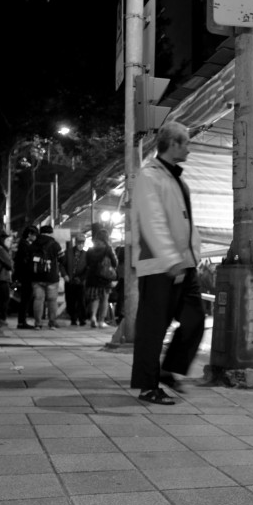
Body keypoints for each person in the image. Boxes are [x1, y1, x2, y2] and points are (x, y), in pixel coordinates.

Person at [130, 120, 205, 406]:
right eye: (185, 142)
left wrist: (191, 256)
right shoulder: (149, 176)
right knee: (153, 327)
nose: (189, 147)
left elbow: (184, 224)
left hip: (184, 264)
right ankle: (148, 386)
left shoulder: (175, 178)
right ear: (173, 144)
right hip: (159, 264)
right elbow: (153, 222)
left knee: (195, 319)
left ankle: (165, 369)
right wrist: (171, 259)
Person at [30, 225, 64, 329]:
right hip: (51, 277)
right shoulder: (55, 244)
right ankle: (52, 323)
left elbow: (29, 258)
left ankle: (38, 323)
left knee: (38, 299)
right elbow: (63, 259)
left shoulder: (34, 244)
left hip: (37, 276)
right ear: (51, 233)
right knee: (52, 300)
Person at [83, 228, 118, 328]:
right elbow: (115, 263)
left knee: (95, 298)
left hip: (92, 277)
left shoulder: (90, 250)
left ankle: (93, 316)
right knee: (104, 299)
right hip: (104, 277)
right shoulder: (108, 249)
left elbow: (87, 263)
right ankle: (101, 321)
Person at [13, 226, 39, 329]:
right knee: (25, 299)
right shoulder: (25, 245)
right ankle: (22, 322)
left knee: (25, 299)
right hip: (26, 276)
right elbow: (25, 261)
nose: (35, 237)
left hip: (24, 276)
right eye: (34, 235)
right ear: (29, 234)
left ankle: (22, 321)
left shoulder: (23, 244)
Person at [64, 234, 88, 325]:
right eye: (79, 242)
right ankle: (73, 318)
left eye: (82, 243)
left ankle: (82, 319)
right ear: (76, 242)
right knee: (70, 301)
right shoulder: (68, 252)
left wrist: (81, 278)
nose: (81, 245)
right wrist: (65, 275)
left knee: (81, 301)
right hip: (69, 281)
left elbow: (87, 269)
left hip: (80, 282)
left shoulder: (86, 255)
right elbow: (62, 265)